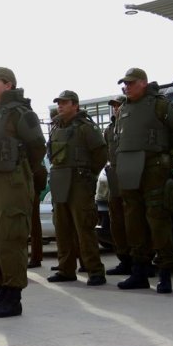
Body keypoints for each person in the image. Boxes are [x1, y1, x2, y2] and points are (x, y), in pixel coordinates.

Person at [0, 67, 46, 318]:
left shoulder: (21, 114)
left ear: (9, 85)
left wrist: (21, 171)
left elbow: (37, 147)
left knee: (10, 237)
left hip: (11, 180)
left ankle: (13, 297)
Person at [115, 68, 173, 294]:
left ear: (143, 83)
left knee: (158, 220)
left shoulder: (160, 105)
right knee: (133, 220)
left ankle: (164, 272)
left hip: (154, 170)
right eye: (124, 84)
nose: (126, 87)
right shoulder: (124, 109)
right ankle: (139, 271)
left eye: (131, 83)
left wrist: (166, 154)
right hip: (129, 171)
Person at [46, 90, 108, 286]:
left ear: (75, 105)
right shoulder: (56, 128)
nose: (60, 106)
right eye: (59, 103)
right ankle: (66, 269)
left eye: (64, 103)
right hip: (60, 183)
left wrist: (89, 175)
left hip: (80, 183)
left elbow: (100, 153)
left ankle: (95, 270)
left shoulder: (85, 128)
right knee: (62, 228)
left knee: (84, 228)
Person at [103, 95, 131, 276]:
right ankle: (124, 259)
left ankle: (141, 260)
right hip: (114, 178)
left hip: (131, 177)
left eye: (118, 105)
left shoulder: (131, 125)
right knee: (117, 222)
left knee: (134, 221)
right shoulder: (110, 129)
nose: (116, 108)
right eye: (113, 106)